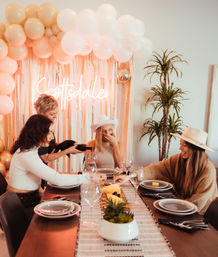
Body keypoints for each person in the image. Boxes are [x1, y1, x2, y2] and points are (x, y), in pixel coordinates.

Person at [120, 126, 217, 214]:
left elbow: (198, 202)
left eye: (184, 145)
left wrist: (171, 206)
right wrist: (131, 176)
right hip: (179, 207)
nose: (180, 148)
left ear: (194, 149)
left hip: (199, 215)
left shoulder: (208, 171)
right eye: (180, 144)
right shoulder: (179, 159)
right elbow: (157, 168)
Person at [7, 114, 88, 209]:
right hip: (20, 203)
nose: (52, 137)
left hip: (28, 197)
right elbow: (57, 179)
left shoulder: (29, 150)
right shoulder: (26, 155)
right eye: (49, 133)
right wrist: (87, 177)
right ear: (37, 133)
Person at [34, 94, 79, 164]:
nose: (54, 117)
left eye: (55, 114)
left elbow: (50, 145)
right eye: (52, 114)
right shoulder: (37, 128)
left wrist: (65, 145)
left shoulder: (49, 127)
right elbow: (46, 158)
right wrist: (68, 151)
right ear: (41, 113)